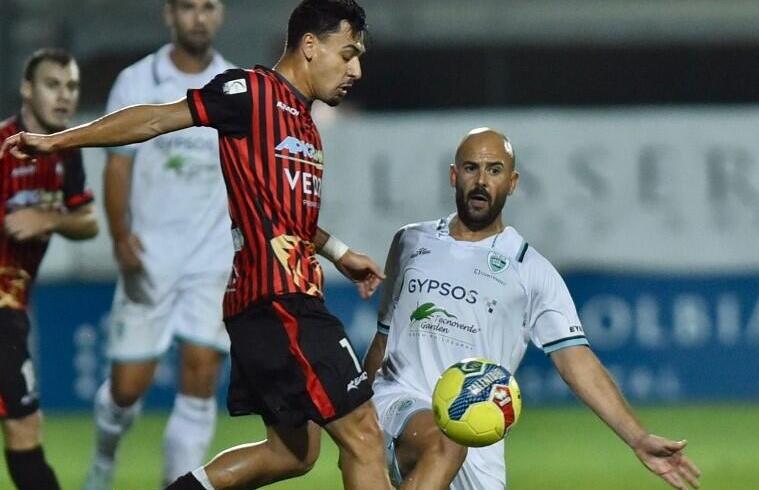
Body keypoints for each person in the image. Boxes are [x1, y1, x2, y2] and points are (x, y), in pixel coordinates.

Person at [0, 1, 394, 489]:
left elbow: (286, 216)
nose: (356, 69)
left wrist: (338, 253)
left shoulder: (306, 124)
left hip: (271, 300)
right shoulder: (250, 91)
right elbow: (154, 120)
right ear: (310, 46)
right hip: (279, 301)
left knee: (292, 453)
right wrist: (58, 142)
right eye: (348, 53)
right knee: (364, 436)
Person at [363, 128, 703, 490]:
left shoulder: (531, 270)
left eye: (494, 171)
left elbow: (577, 362)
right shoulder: (411, 242)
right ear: (453, 175)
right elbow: (384, 338)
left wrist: (637, 437)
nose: (480, 181)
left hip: (478, 438)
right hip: (399, 407)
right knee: (445, 440)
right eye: (470, 168)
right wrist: (356, 423)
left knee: (452, 442)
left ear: (512, 182)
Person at [82, 1, 236, 488]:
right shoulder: (136, 81)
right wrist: (121, 235)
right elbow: (117, 163)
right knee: (127, 390)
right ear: (169, 14)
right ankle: (105, 459)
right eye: (188, 7)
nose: (199, 17)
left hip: (212, 259)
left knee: (200, 376)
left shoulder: (235, 84)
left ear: (221, 14)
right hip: (150, 257)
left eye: (208, 7)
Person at [0, 48, 98, 490]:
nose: (64, 96)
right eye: (52, 84)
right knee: (25, 427)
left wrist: (49, 218)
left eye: (72, 86)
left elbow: (89, 222)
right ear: (26, 89)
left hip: (14, 309)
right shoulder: (3, 148)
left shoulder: (66, 153)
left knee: (23, 428)